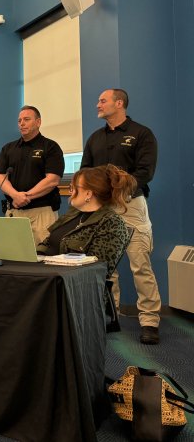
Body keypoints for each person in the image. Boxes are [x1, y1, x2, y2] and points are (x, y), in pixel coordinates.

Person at [80, 88, 161, 345]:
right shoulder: (94, 138)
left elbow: (145, 172)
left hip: (131, 206)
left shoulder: (141, 134)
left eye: (102, 100)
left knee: (140, 265)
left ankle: (149, 321)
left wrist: (120, 192)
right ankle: (110, 316)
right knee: (106, 267)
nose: (97, 104)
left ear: (119, 103)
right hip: (102, 210)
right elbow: (85, 171)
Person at [38, 164, 134, 277]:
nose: (70, 192)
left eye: (73, 188)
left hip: (73, 287)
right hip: (47, 277)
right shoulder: (73, 214)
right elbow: (47, 243)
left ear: (88, 194)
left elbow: (98, 270)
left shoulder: (111, 223)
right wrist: (36, 255)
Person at [0, 105, 64, 245]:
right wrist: (15, 195)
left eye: (26, 119)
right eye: (19, 120)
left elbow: (52, 180)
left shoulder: (50, 147)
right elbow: (0, 176)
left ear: (38, 122)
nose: (22, 123)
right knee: (12, 257)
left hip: (42, 212)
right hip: (14, 211)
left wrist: (26, 196)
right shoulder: (8, 148)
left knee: (43, 258)